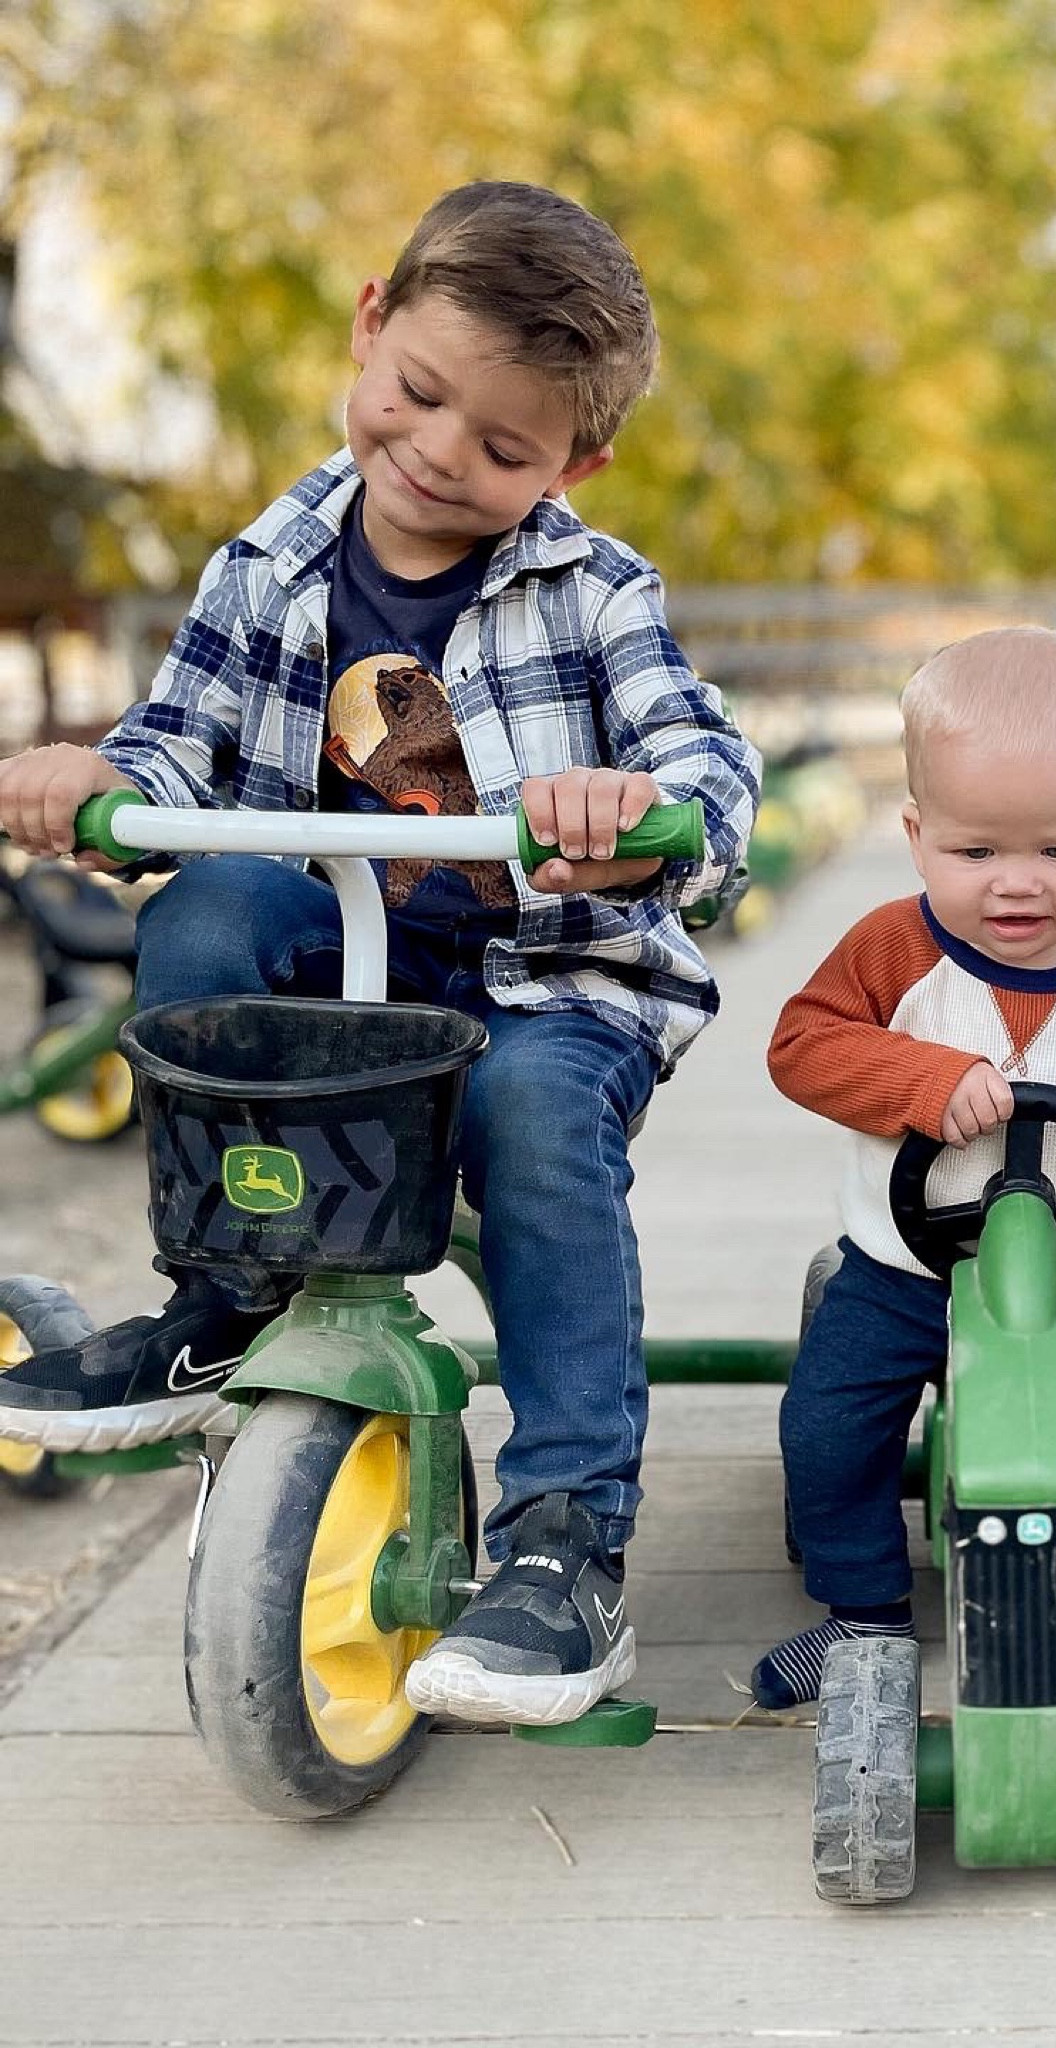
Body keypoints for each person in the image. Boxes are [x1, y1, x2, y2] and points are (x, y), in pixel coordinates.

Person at [0, 181, 760, 1722]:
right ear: (369, 325)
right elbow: (176, 746)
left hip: (544, 985)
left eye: (504, 448)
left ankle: (566, 1534)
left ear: (577, 463)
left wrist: (644, 809)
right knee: (207, 909)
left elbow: (712, 777)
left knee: (541, 1119)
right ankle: (218, 1301)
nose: (437, 454)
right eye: (415, 396)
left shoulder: (595, 593)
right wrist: (104, 784)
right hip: (338, 975)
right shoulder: (264, 566)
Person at [749, 625, 1056, 1707]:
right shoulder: (892, 951)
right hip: (907, 1269)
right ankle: (862, 1611)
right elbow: (802, 1045)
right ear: (916, 831)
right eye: (976, 853)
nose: (1015, 884)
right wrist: (916, 1078)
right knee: (825, 1426)